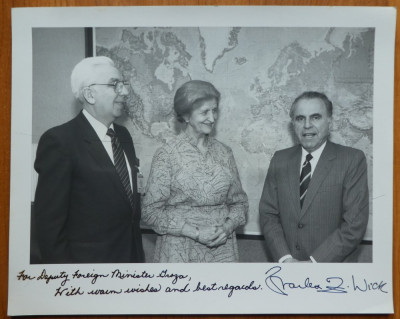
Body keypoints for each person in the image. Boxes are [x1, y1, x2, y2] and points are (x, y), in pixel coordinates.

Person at [33, 56, 144, 263]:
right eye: (115, 85)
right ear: (90, 94)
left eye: (124, 84)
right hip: (87, 271)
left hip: (131, 262)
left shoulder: (124, 136)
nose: (125, 92)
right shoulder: (59, 142)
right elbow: (50, 228)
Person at [142, 80, 248, 263]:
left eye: (214, 111)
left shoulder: (225, 153)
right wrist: (195, 232)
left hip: (222, 251)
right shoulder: (166, 155)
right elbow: (150, 212)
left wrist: (227, 228)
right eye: (205, 112)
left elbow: (240, 205)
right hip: (180, 251)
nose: (212, 118)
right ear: (186, 115)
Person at [259, 91, 369, 263]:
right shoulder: (279, 159)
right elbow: (268, 214)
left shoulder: (351, 160)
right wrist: (286, 259)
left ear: (330, 122)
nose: (307, 125)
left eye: (315, 117)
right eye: (300, 118)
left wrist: (314, 263)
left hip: (331, 271)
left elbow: (354, 224)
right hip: (286, 269)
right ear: (293, 124)